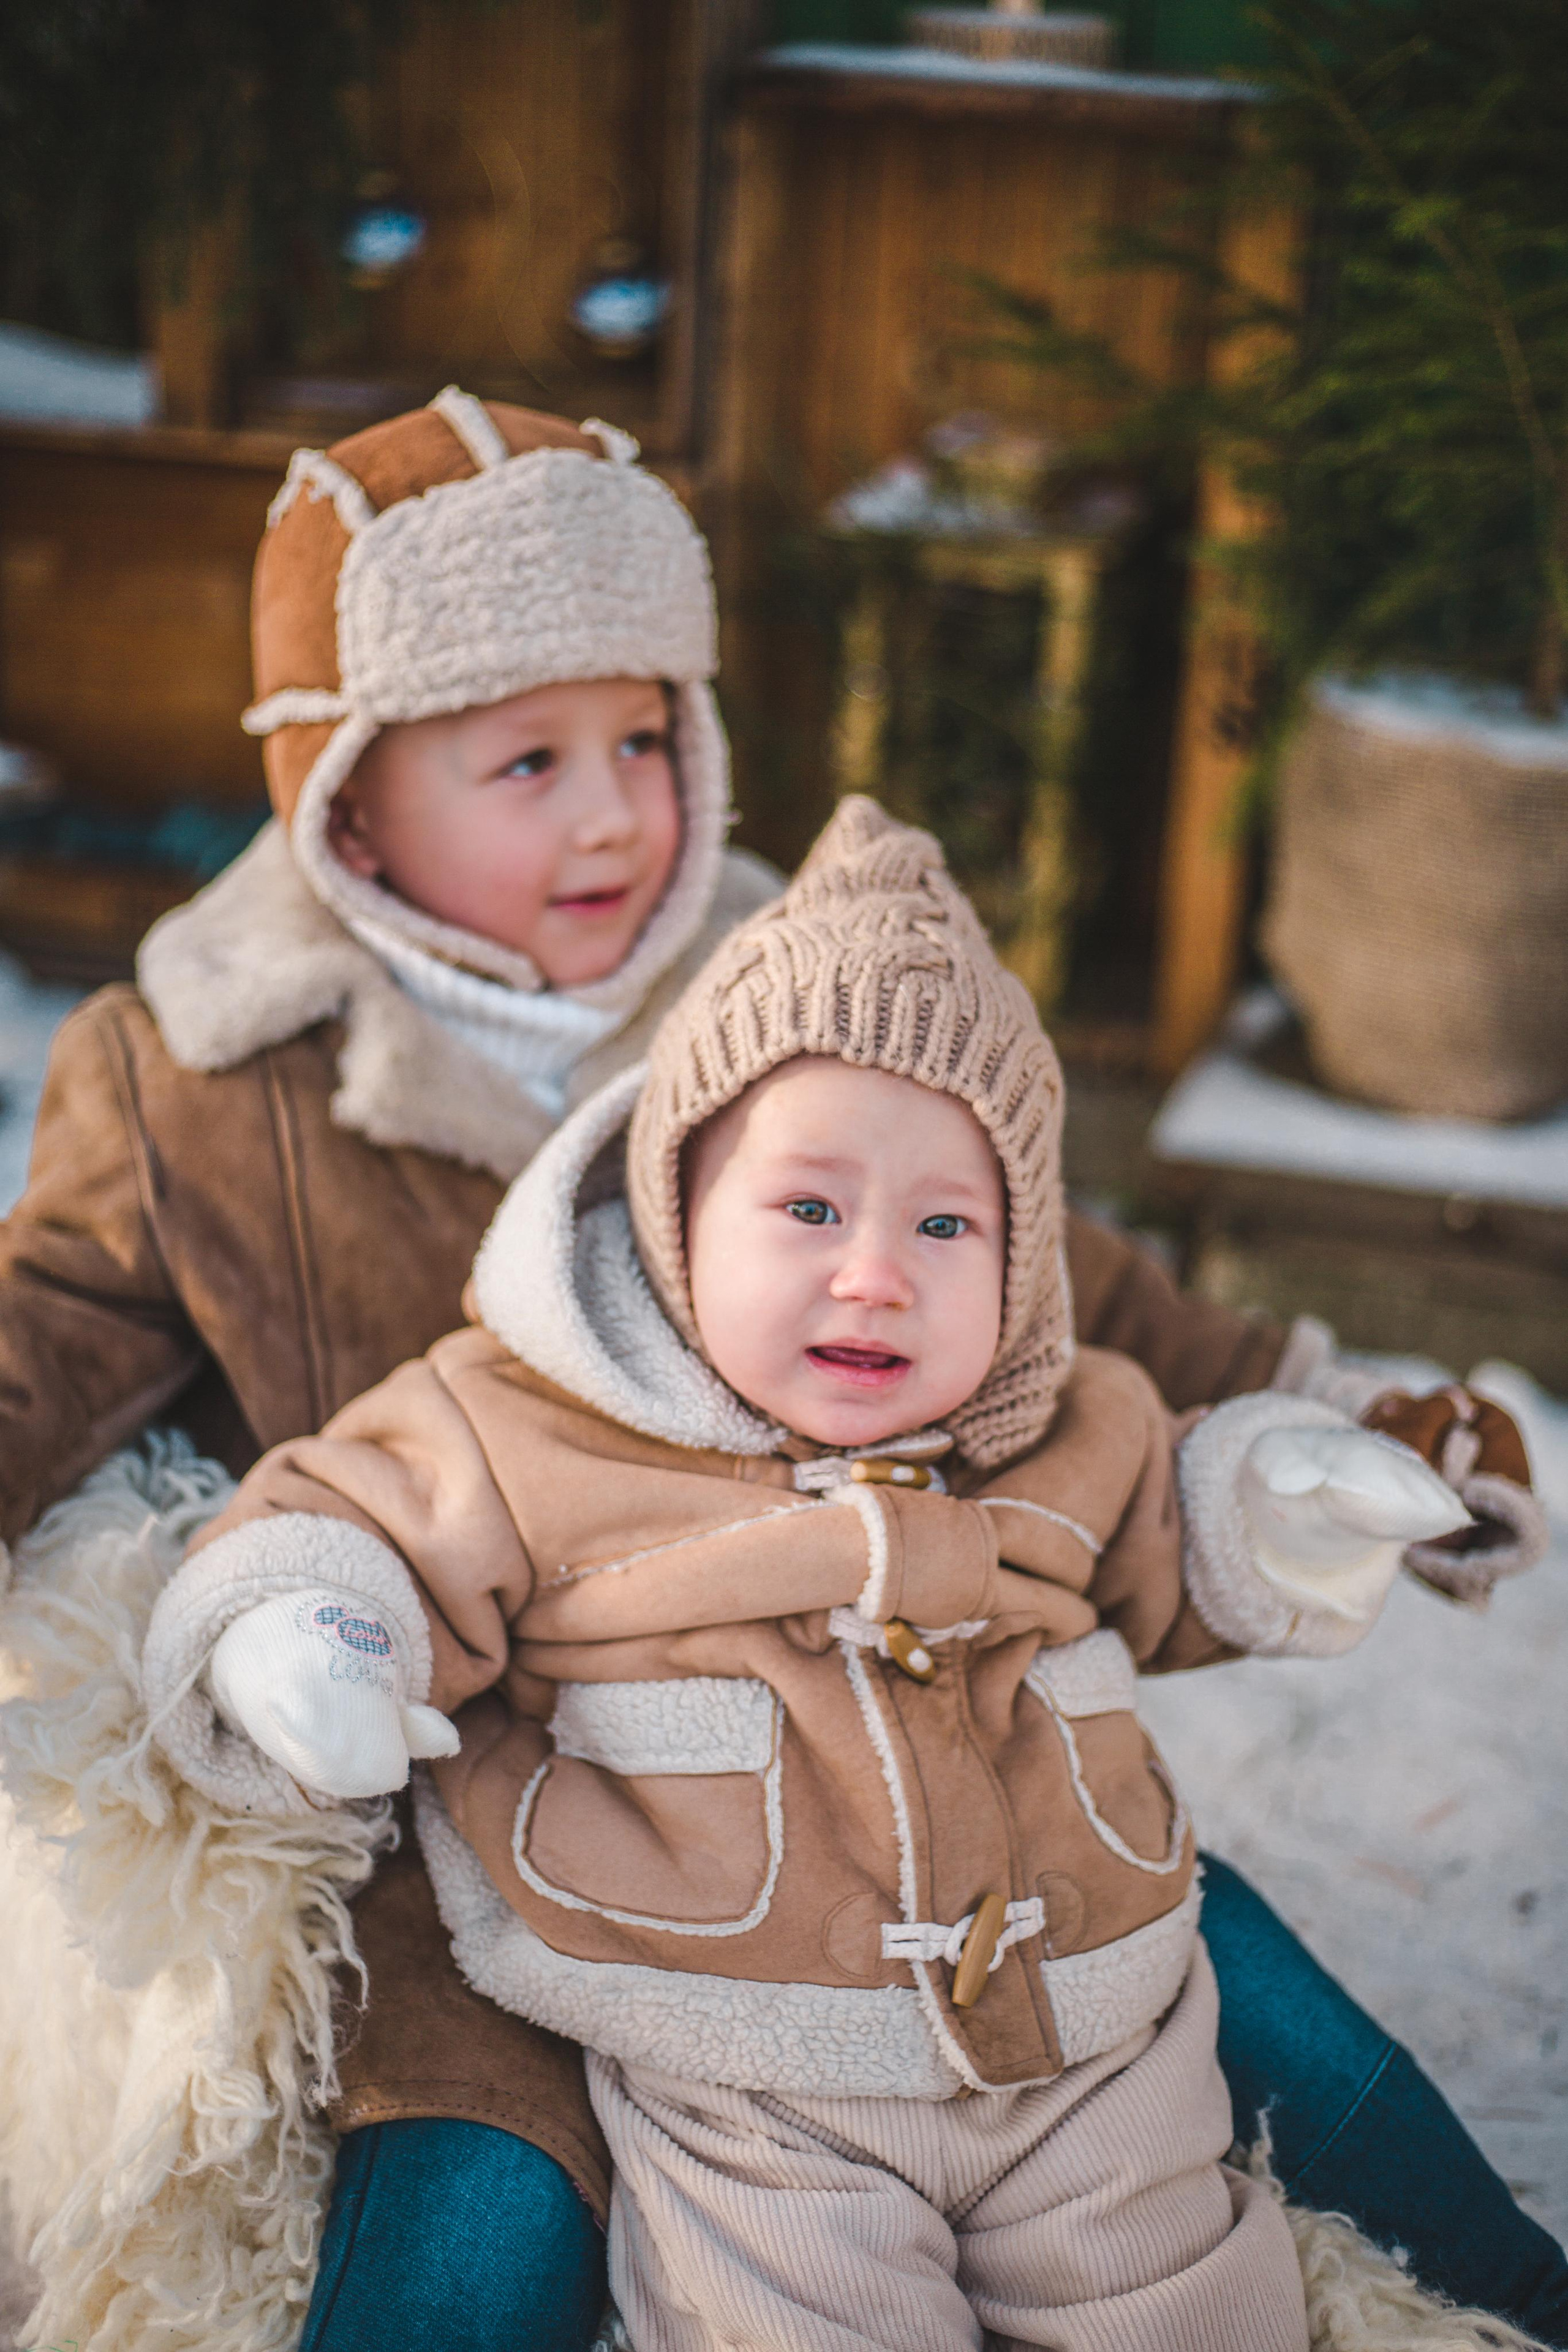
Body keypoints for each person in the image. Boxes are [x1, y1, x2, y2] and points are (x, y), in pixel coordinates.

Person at [0, 398, 1557, 2348]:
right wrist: (290, 1635)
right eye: (527, 758)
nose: (609, 814)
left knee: (1220, 1982)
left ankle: (1514, 2292)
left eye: (647, 739)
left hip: (890, 1775)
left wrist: (1337, 1421)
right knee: (479, 2205)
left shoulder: (786, 986)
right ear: (349, 801)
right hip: (463, 1769)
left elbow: (1051, 1285)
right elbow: (46, 1327)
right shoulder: (206, 1077)